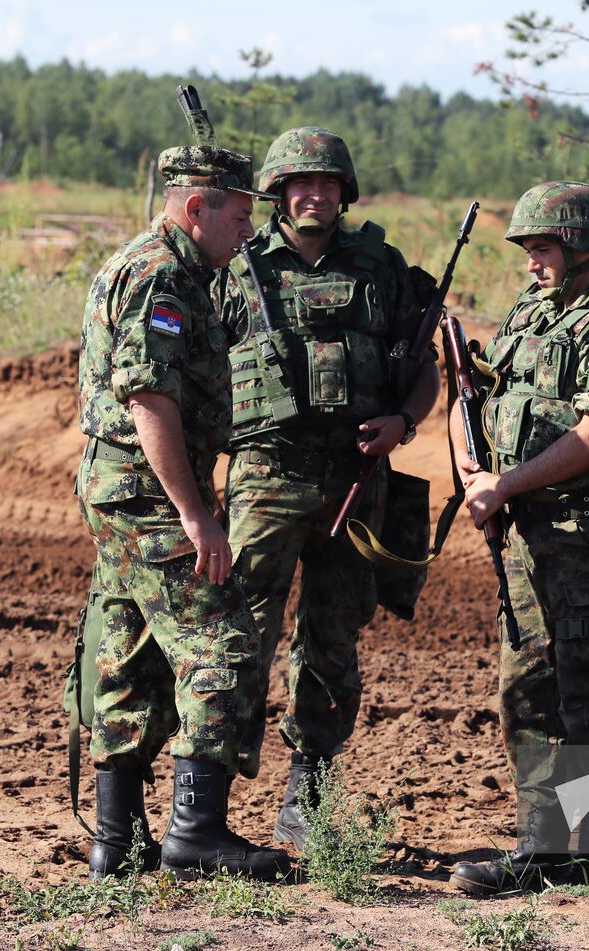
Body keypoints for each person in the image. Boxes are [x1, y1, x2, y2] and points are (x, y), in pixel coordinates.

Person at [216, 126, 440, 851]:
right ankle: (206, 808)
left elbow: (426, 367)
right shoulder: (238, 267)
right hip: (265, 479)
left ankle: (305, 798)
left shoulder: (383, 269)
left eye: (327, 184)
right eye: (299, 184)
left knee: (331, 643)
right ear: (279, 193)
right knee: (238, 634)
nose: (314, 195)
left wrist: (402, 421)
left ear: (345, 191)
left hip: (355, 483)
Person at [75, 144, 291, 881]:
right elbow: (150, 401)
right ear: (195, 208)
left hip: (121, 492)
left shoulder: (163, 266)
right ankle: (196, 836)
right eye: (238, 215)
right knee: (226, 642)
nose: (247, 232)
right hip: (149, 493)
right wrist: (198, 515)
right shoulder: (161, 276)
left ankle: (119, 840)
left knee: (130, 657)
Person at [446, 182, 589, 895]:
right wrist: (472, 464)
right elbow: (474, 397)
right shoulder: (528, 312)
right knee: (527, 696)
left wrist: (506, 485)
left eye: (542, 248)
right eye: (529, 249)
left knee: (587, 699)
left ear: (582, 247)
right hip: (526, 546)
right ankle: (542, 846)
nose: (532, 262)